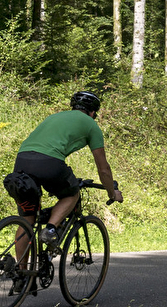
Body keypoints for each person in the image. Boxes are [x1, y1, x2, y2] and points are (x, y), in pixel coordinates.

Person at [7, 90, 123, 249]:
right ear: (93, 112)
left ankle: (22, 272)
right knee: (72, 194)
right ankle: (50, 229)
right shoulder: (91, 125)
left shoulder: (54, 116)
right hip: (48, 162)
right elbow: (103, 169)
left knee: (28, 220)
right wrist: (112, 193)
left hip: (22, 160)